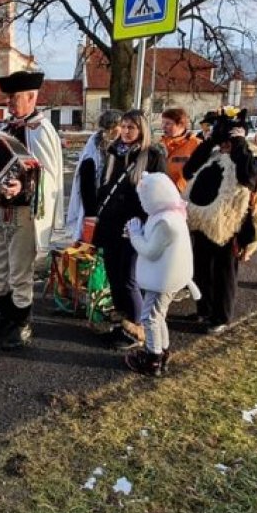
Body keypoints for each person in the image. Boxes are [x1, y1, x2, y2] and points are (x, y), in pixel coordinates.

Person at [0, 71, 63, 350]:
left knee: (19, 273)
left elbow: (50, 176)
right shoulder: (5, 128)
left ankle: (22, 324)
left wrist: (23, 186)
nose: (9, 103)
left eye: (14, 98)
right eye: (8, 98)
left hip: (25, 214)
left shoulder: (42, 130)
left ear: (31, 97)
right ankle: (6, 317)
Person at [183, 108, 257, 332]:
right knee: (201, 269)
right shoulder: (213, 155)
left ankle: (220, 317)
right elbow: (188, 170)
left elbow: (248, 178)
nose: (225, 145)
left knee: (223, 273)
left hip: (229, 226)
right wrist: (209, 141)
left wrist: (239, 144)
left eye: (227, 140)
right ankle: (204, 310)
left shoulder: (253, 156)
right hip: (202, 221)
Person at [92, 110, 166, 350]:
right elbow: (105, 187)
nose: (125, 131)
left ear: (141, 130)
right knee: (114, 277)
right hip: (111, 226)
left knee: (129, 279)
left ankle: (137, 328)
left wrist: (141, 223)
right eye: (123, 127)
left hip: (133, 227)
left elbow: (157, 195)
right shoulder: (114, 152)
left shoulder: (151, 156)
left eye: (131, 128)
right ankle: (123, 322)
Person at [123, 173, 199, 376]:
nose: (142, 202)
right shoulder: (170, 213)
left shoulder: (166, 221)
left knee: (149, 317)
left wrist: (135, 234)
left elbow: (150, 250)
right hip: (167, 277)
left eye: (144, 198)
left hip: (163, 280)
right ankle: (162, 350)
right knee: (159, 315)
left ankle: (152, 358)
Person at [65, 110, 121, 241]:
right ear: (112, 127)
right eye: (121, 126)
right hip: (96, 205)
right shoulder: (94, 151)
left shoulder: (119, 145)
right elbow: (87, 182)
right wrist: (90, 213)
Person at [158, 107, 202, 192]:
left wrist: (179, 188)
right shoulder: (159, 145)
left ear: (181, 125)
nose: (163, 127)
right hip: (162, 195)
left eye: (168, 123)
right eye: (163, 123)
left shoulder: (197, 145)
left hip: (185, 195)